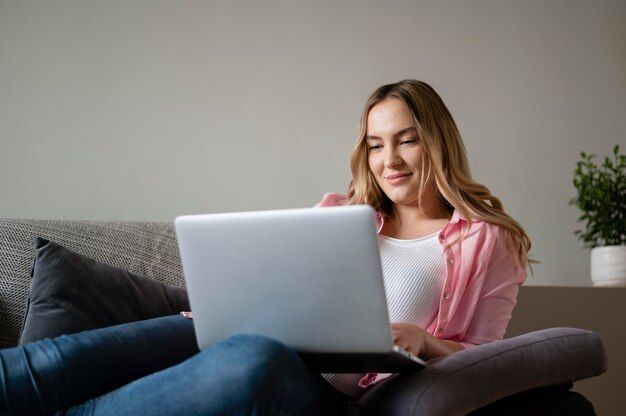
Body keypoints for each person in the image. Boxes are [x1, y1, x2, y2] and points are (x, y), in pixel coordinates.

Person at [0, 80, 530, 415]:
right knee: (60, 359)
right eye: (374, 144)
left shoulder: (488, 240)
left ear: (437, 140)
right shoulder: (341, 217)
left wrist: (425, 340)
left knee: (252, 357)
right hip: (247, 334)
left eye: (406, 139)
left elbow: (493, 359)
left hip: (323, 390)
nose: (388, 159)